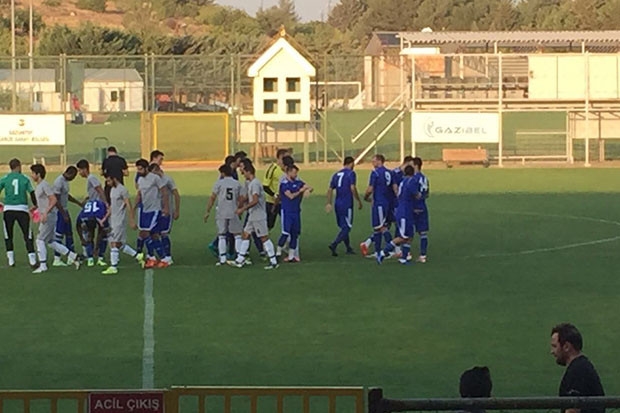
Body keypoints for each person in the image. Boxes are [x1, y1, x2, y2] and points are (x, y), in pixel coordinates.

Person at [30, 164, 80, 273]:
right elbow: (45, 201)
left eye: (33, 173)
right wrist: (35, 207)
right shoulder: (39, 186)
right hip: (47, 216)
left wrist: (45, 212)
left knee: (40, 240)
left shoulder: (44, 185)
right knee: (51, 242)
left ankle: (43, 265)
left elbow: (53, 199)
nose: (31, 175)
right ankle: (73, 256)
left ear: (38, 174)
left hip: (48, 217)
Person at [229, 162, 279, 270]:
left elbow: (255, 200)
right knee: (245, 235)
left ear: (249, 172)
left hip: (258, 216)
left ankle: (273, 261)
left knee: (264, 238)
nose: (243, 175)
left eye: (244, 172)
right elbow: (249, 198)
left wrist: (243, 209)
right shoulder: (252, 183)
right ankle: (240, 260)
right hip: (253, 216)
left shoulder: (255, 184)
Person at [551, 323, 605, 413]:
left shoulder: (577, 371)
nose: (552, 351)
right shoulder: (581, 367)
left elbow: (573, 410)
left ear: (566, 347)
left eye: (554, 346)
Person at [101, 174, 144, 275]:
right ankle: (137, 256)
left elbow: (128, 204)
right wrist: (105, 218)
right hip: (112, 220)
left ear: (114, 178)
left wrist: (131, 219)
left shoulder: (122, 190)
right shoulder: (112, 190)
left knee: (113, 243)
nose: (108, 183)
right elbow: (112, 206)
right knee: (118, 244)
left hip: (119, 221)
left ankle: (113, 266)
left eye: (109, 181)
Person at [0, 158, 38, 267]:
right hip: (22, 209)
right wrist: (36, 205)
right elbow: (32, 193)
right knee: (27, 234)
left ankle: (11, 261)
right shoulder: (25, 178)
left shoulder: (5, 178)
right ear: (18, 166)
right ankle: (32, 260)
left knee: (8, 235)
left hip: (8, 210)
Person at [204, 164, 243, 266]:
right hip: (233, 211)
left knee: (222, 235)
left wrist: (208, 211)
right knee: (237, 235)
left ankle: (222, 258)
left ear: (222, 173)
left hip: (221, 212)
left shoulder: (219, 183)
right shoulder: (237, 184)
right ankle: (240, 257)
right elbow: (241, 199)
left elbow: (212, 197)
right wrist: (240, 209)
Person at [378, 165, 416, 265]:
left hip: (406, 211)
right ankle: (383, 252)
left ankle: (403, 258)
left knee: (410, 237)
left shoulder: (403, 181)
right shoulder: (411, 181)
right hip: (404, 212)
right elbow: (416, 194)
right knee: (402, 237)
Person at [360, 154, 397, 256]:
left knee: (379, 227)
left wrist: (366, 197)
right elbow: (395, 188)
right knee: (380, 227)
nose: (372, 163)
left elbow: (370, 188)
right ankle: (380, 251)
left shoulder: (375, 173)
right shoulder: (390, 172)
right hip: (387, 203)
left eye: (374, 161)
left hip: (379, 203)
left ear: (379, 161)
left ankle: (388, 250)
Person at [135, 159, 169, 269]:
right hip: (144, 210)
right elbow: (139, 194)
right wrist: (133, 208)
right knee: (153, 234)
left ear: (146, 168)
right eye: (138, 169)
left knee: (145, 233)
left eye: (140, 169)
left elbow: (164, 192)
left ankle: (162, 258)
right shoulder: (140, 180)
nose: (139, 171)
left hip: (154, 210)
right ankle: (154, 258)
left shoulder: (155, 178)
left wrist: (166, 207)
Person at [326, 156, 362, 257]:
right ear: (351, 163)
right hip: (347, 204)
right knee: (347, 227)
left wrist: (329, 202)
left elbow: (330, 189)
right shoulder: (351, 173)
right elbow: (352, 188)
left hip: (338, 203)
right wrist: (358, 200)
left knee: (343, 226)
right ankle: (334, 244)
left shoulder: (336, 174)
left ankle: (348, 248)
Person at [150, 151, 180, 265]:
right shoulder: (152, 180)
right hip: (155, 210)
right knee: (153, 233)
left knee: (163, 233)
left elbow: (176, 194)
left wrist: (176, 210)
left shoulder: (167, 179)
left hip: (166, 211)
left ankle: (167, 256)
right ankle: (158, 255)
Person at [278, 165, 312, 263]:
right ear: (288, 172)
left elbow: (309, 187)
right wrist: (301, 191)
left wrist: (308, 190)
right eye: (294, 173)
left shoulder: (298, 183)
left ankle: (291, 256)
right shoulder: (284, 184)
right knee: (285, 233)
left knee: (295, 234)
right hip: (287, 212)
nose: (296, 175)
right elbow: (291, 196)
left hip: (296, 212)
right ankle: (278, 252)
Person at [77, 159, 108, 265]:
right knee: (93, 230)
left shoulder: (92, 178)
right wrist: (87, 198)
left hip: (96, 208)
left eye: (80, 170)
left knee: (95, 230)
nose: (79, 173)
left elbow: (99, 190)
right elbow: (94, 191)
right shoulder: (91, 179)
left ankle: (94, 254)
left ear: (84, 169)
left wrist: (105, 203)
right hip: (93, 206)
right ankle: (95, 253)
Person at [51, 166, 83, 267]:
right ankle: (57, 258)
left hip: (64, 210)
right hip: (59, 211)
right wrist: (63, 214)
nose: (73, 178)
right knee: (59, 234)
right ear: (70, 173)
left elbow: (66, 196)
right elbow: (56, 200)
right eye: (74, 176)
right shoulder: (59, 182)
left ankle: (71, 256)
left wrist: (78, 203)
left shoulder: (65, 182)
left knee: (69, 233)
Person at [76, 198, 109, 267]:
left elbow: (102, 231)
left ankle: (100, 257)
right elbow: (78, 226)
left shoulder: (101, 215)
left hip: (100, 211)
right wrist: (82, 239)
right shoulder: (82, 216)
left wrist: (97, 247)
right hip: (91, 214)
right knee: (89, 237)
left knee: (104, 235)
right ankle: (90, 258)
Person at [264, 148, 290, 232]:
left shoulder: (289, 169)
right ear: (280, 157)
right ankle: (265, 239)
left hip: (285, 201)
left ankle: (288, 238)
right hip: (272, 201)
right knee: (269, 224)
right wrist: (274, 195)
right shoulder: (273, 168)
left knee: (288, 222)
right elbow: (265, 186)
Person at [412, 157, 430, 263]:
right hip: (423, 206)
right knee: (423, 233)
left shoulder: (413, 179)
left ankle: (406, 254)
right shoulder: (425, 178)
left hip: (413, 207)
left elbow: (412, 193)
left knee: (407, 232)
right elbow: (427, 194)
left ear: (415, 165)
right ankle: (423, 256)